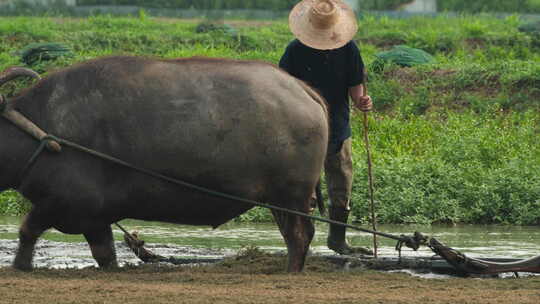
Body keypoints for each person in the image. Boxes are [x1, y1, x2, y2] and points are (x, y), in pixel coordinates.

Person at [279, 0, 373, 255]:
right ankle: (301, 242)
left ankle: (337, 240)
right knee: (303, 186)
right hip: (302, 128)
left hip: (337, 125)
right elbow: (283, 89)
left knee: (341, 182)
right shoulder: (295, 50)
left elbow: (356, 89)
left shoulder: (348, 49)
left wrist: (362, 101)